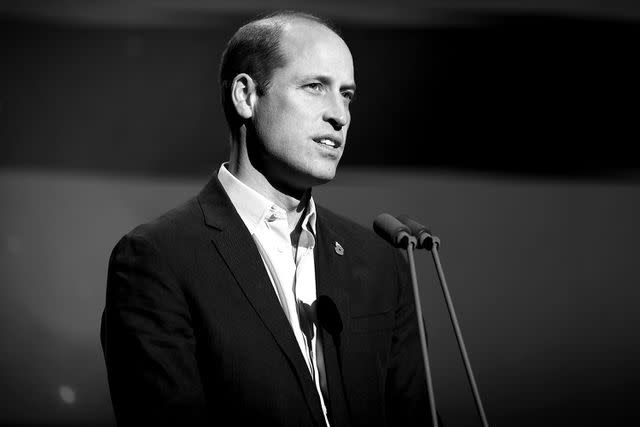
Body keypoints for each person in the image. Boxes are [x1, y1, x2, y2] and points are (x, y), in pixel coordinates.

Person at [101, 11, 430, 427]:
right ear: (246, 96)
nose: (340, 115)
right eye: (315, 87)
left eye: (347, 95)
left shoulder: (379, 263)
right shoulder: (158, 259)